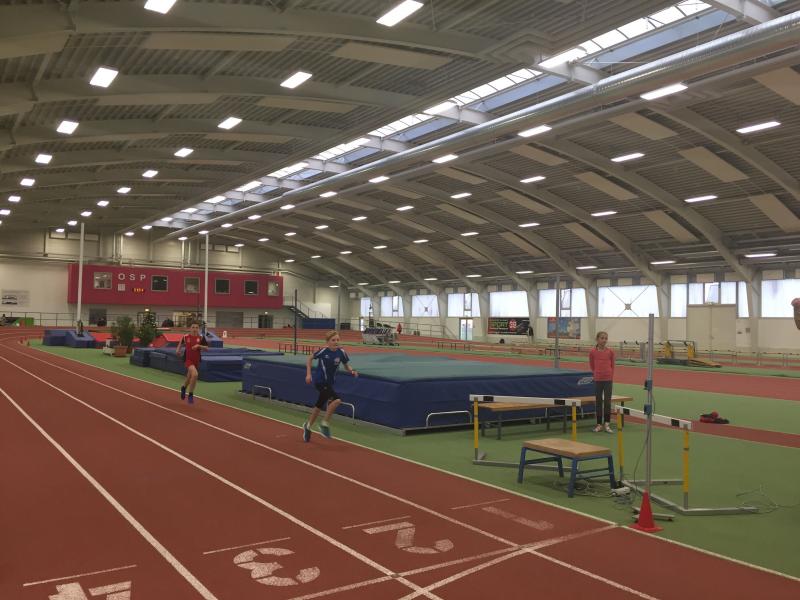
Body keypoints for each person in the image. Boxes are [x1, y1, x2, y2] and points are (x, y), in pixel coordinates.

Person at [303, 330, 358, 441]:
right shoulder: (323, 351)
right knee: (337, 400)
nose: (336, 342)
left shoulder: (341, 352)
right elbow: (309, 358)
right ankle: (324, 424)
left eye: (337, 340)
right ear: (328, 342)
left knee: (319, 406)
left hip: (329, 383)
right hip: (320, 381)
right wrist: (308, 374)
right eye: (333, 340)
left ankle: (307, 426)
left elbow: (346, 366)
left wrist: (352, 371)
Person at [175, 322, 208, 404]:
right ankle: (190, 394)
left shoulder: (201, 337)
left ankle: (183, 387)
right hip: (188, 359)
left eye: (196, 327)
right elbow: (180, 344)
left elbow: (207, 348)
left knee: (189, 377)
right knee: (195, 375)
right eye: (193, 327)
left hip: (196, 360)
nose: (194, 329)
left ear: (198, 329)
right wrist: (178, 350)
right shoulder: (185, 337)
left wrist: (199, 346)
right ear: (190, 328)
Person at [589, 331, 615, 433]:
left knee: (607, 402)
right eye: (602, 338)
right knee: (598, 402)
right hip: (598, 380)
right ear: (597, 339)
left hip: (608, 380)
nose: (604, 340)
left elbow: (613, 366)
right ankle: (599, 424)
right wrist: (597, 374)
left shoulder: (610, 352)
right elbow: (592, 365)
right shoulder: (592, 352)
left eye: (606, 338)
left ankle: (607, 424)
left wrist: (610, 376)